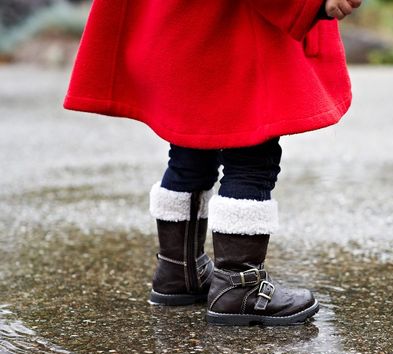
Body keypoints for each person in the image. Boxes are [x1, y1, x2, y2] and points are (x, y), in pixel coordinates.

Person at [63, 0, 361, 326]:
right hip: (233, 25)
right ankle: (239, 286)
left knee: (191, 147)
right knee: (251, 153)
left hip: (182, 21)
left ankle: (179, 271)